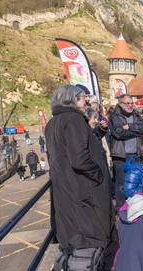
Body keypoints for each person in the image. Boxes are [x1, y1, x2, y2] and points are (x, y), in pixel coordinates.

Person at [45, 84, 115, 250]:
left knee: (76, 238)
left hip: (65, 186)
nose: (86, 101)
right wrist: (98, 174)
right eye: (83, 97)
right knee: (91, 235)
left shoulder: (53, 122)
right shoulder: (73, 118)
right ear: (72, 99)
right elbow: (79, 159)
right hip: (81, 186)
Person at [108, 94, 143, 211]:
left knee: (136, 181)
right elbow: (118, 132)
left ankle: (135, 206)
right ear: (121, 104)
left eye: (131, 103)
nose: (130, 106)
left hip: (135, 154)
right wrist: (135, 133)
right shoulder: (114, 116)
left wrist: (129, 126)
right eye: (127, 103)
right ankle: (121, 208)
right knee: (121, 184)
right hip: (120, 154)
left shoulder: (136, 114)